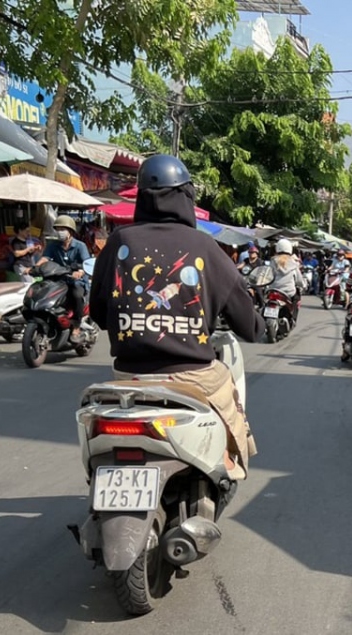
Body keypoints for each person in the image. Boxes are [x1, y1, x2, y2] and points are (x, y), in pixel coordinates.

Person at [90, 154, 265, 481]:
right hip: (193, 378)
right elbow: (249, 326)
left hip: (128, 375)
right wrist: (257, 324)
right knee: (231, 401)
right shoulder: (204, 246)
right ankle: (227, 468)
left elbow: (99, 314)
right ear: (185, 196)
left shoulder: (118, 242)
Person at [37, 215, 91, 343]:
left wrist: (80, 272)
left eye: (63, 229)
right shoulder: (53, 245)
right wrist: (35, 267)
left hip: (76, 281)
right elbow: (45, 258)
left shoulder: (80, 246)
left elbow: (86, 263)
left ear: (70, 231)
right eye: (58, 229)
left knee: (77, 295)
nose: (60, 232)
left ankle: (76, 327)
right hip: (58, 281)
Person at [266, 238, 305, 322]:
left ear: (277, 248)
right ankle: (292, 319)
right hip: (288, 292)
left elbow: (267, 275)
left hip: (273, 290)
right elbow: (299, 280)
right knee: (296, 298)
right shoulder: (294, 264)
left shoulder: (272, 262)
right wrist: (303, 285)